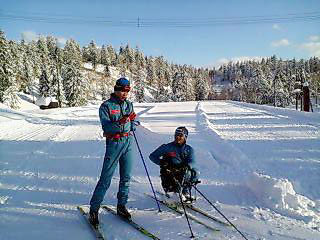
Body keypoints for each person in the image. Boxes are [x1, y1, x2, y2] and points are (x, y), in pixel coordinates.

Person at [89, 77, 136, 226]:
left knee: (126, 177)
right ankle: (94, 209)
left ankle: (122, 206)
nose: (124, 93)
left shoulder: (129, 105)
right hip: (114, 143)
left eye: (127, 91)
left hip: (128, 143)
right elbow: (107, 127)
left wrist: (133, 123)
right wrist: (121, 122)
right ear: (116, 89)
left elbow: (132, 123)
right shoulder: (106, 106)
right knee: (106, 178)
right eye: (122, 90)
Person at [149, 126, 199, 202]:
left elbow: (193, 161)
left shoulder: (189, 149)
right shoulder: (167, 147)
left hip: (182, 170)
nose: (177, 137)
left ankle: (185, 193)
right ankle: (173, 192)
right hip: (169, 171)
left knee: (195, 172)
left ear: (185, 137)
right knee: (175, 176)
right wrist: (162, 162)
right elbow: (152, 156)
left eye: (180, 135)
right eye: (176, 135)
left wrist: (187, 166)